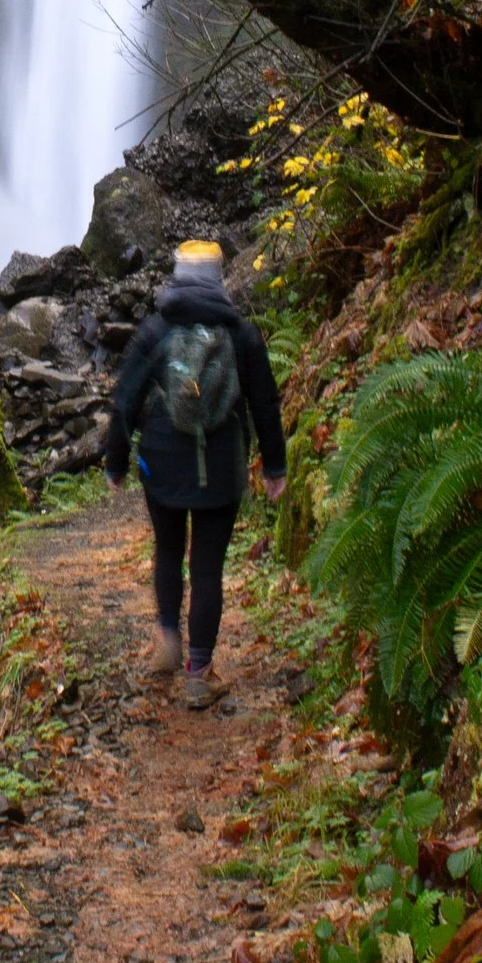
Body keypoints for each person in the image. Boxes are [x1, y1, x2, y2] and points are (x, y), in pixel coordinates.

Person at [105, 239, 287, 710]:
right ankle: (199, 673)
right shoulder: (242, 334)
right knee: (207, 569)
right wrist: (274, 466)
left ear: (178, 276)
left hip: (162, 462)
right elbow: (265, 404)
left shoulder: (156, 329)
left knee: (168, 549)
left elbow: (125, 399)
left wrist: (116, 463)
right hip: (221, 467)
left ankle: (168, 634)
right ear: (219, 279)